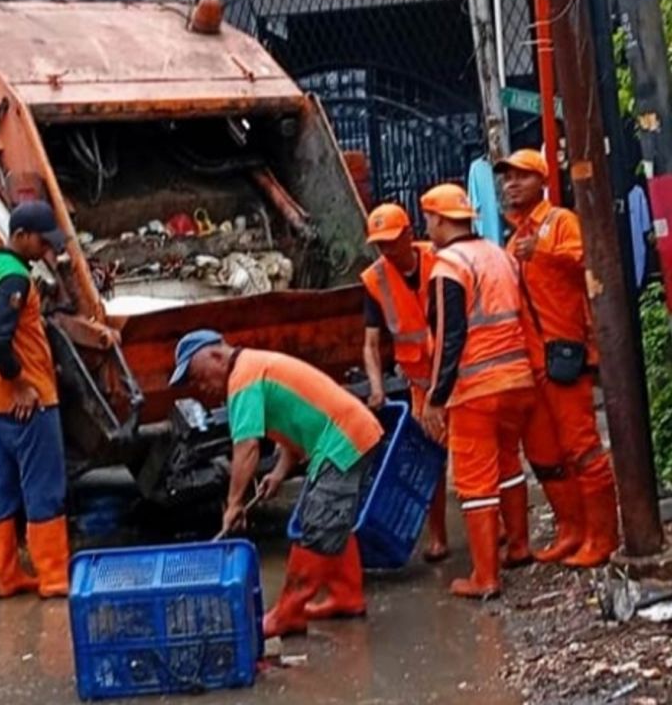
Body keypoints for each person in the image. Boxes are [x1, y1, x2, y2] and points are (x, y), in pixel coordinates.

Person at [170, 330, 383, 638]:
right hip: (347, 435)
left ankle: (288, 614)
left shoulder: (242, 379)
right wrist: (279, 474)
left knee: (317, 524)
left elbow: (247, 447)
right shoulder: (255, 368)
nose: (201, 388)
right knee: (333, 520)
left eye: (198, 377)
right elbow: (290, 425)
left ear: (216, 356)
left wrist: (234, 504)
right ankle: (346, 597)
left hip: (343, 440)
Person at [419, 184, 547, 598]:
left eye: (428, 219)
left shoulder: (448, 266)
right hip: (517, 380)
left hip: (477, 389)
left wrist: (436, 398)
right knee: (509, 465)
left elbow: (448, 339)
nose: (428, 227)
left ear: (438, 219)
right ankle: (519, 546)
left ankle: (486, 576)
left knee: (475, 483)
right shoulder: (499, 253)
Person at [496, 149, 619, 566]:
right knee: (546, 455)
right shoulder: (514, 240)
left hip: (565, 356)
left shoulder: (559, 223)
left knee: (581, 447)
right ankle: (573, 529)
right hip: (533, 364)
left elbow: (593, 262)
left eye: (520, 177)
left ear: (541, 181)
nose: (510, 184)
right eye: (507, 178)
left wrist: (543, 253)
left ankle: (602, 538)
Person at [0, 200, 70, 599]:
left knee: (3, 488)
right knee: (44, 486)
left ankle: (7, 577)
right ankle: (55, 577)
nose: (47, 249)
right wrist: (21, 383)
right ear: (20, 236)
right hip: (29, 404)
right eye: (42, 242)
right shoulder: (15, 280)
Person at [361, 203, 448, 562]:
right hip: (421, 386)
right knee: (431, 463)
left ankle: (500, 529)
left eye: (391, 242)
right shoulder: (374, 280)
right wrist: (377, 387)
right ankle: (438, 537)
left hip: (458, 377)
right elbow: (369, 343)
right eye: (379, 245)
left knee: (483, 459)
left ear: (410, 235)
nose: (385, 252)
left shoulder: (440, 258)